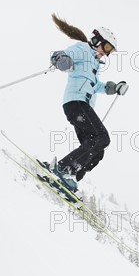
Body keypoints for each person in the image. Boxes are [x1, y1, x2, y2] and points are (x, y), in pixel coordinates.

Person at [46, 14, 128, 195]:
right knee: (102, 137)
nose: (106, 52)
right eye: (106, 47)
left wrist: (113, 88)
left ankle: (71, 177)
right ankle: (63, 169)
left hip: (82, 106)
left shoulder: (95, 64)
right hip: (76, 103)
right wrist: (61, 59)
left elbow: (96, 85)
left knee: (98, 150)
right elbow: (62, 55)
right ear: (96, 40)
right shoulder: (82, 48)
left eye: (110, 51)